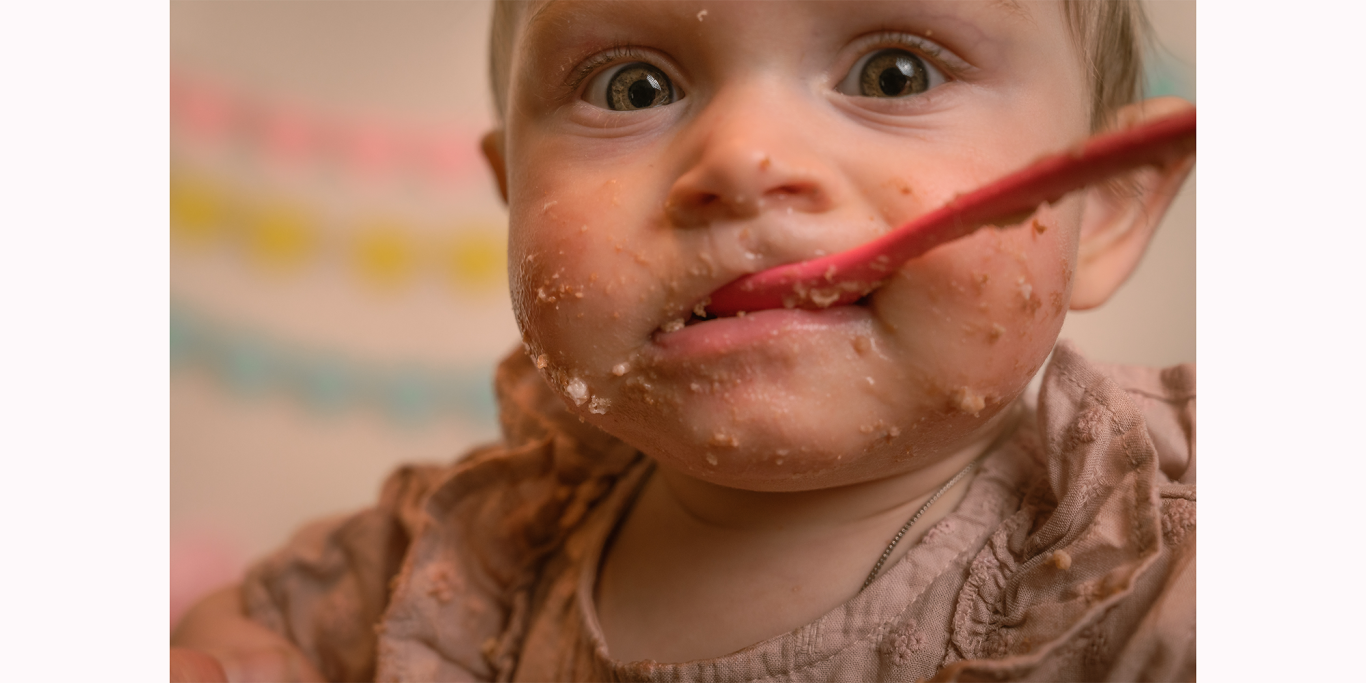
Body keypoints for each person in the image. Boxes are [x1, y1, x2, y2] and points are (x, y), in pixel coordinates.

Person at [171, 0, 1196, 680]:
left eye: (892, 74)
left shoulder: (1152, 566)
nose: (743, 160)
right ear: (512, 195)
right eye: (634, 88)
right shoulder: (467, 551)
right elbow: (236, 633)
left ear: (1099, 207)